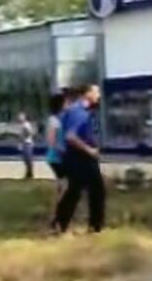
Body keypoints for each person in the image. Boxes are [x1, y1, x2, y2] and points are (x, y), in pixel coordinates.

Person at [54, 84, 105, 234]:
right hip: (80, 157)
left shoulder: (81, 111)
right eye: (96, 92)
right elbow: (70, 137)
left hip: (78, 157)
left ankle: (60, 224)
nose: (99, 96)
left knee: (76, 190)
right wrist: (89, 150)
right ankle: (94, 226)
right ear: (87, 94)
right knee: (96, 190)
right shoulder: (79, 112)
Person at [45, 93, 70, 227]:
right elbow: (51, 141)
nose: (68, 105)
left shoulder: (61, 119)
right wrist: (63, 150)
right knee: (65, 186)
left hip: (61, 158)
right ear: (60, 104)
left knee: (62, 187)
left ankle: (56, 216)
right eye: (66, 103)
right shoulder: (53, 120)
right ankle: (57, 217)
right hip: (56, 158)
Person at [18, 112, 34, 179]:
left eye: (21, 116)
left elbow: (30, 132)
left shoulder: (26, 124)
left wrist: (24, 135)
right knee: (25, 159)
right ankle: (28, 173)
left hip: (27, 143)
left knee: (28, 159)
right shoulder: (22, 125)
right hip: (24, 143)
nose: (19, 118)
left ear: (24, 117)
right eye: (19, 117)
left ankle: (30, 174)